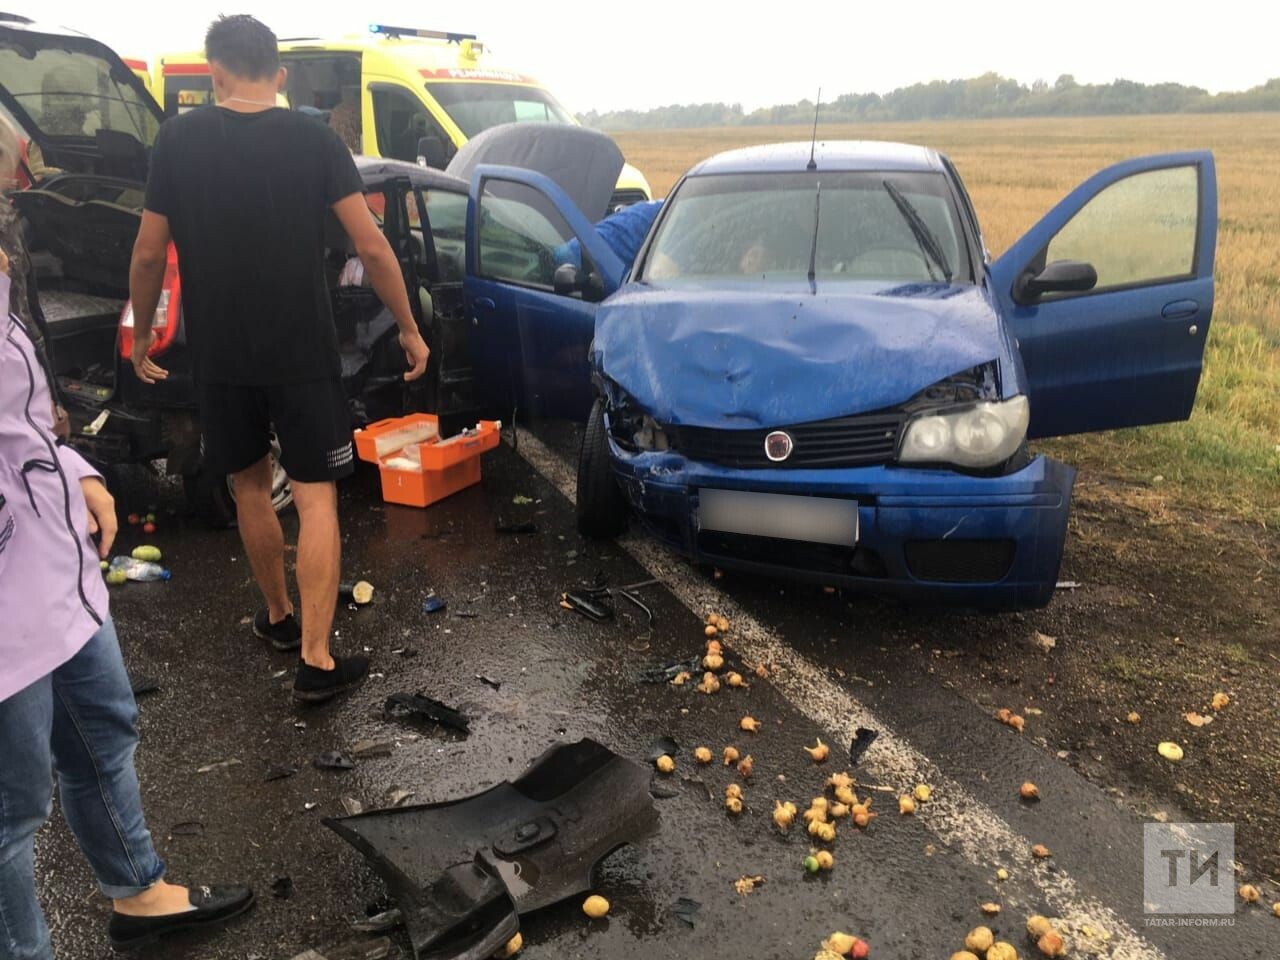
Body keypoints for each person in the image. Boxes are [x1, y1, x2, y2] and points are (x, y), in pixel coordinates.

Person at [0, 120, 254, 957]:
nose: (15, 190)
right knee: (8, 816)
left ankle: (137, 890)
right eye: (8, 176)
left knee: (103, 728)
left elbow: (20, 422)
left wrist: (75, 469)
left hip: (56, 569)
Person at [128, 15, 429, 702]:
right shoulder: (314, 138)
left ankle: (280, 618)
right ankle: (317, 662)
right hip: (301, 350)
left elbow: (148, 253)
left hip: (221, 353)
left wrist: (144, 332)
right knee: (317, 496)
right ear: (281, 75)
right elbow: (372, 247)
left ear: (214, 71)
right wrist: (410, 327)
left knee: (250, 486)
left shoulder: (177, 140)